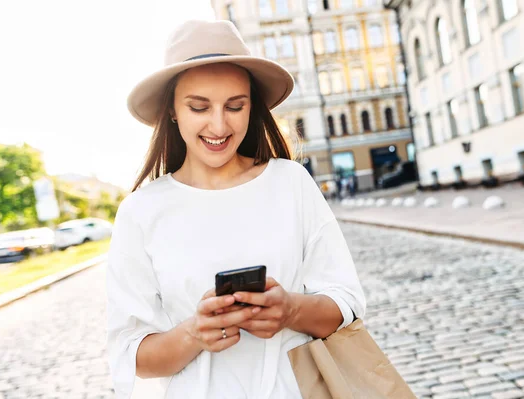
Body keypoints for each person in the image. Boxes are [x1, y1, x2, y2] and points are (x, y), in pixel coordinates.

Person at [106, 20, 366, 399]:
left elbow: (347, 303)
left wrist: (291, 310)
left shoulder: (290, 182)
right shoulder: (140, 212)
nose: (218, 124)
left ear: (251, 107)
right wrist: (195, 332)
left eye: (235, 106)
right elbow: (135, 357)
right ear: (173, 111)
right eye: (199, 107)